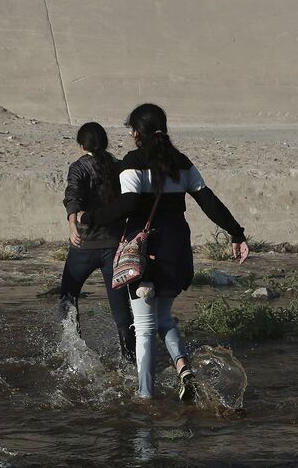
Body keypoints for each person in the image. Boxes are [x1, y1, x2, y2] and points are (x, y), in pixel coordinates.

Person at [76, 103, 249, 401]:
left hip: (145, 256)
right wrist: (236, 233)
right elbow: (208, 201)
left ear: (135, 132)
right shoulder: (181, 163)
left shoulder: (133, 162)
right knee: (164, 317)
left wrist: (89, 217)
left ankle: (145, 396)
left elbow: (128, 205)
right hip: (176, 252)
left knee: (143, 328)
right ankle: (185, 371)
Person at [61, 122, 135, 362]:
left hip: (83, 246)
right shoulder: (117, 166)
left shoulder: (79, 167)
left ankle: (74, 351)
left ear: (82, 145)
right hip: (113, 246)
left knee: (68, 298)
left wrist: (73, 227)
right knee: (121, 309)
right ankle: (130, 358)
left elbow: (73, 197)